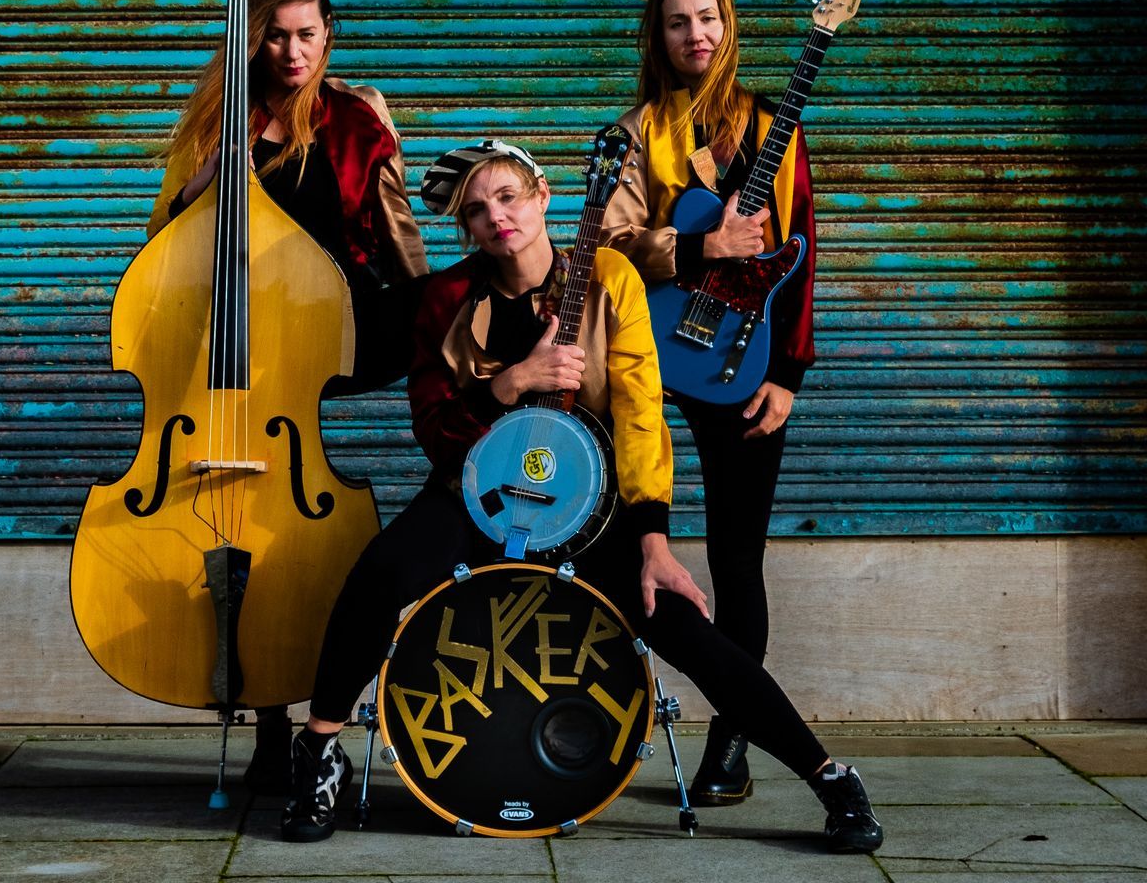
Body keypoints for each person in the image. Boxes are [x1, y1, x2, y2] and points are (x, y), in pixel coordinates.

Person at [279, 141, 882, 854]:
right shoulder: (446, 297)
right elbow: (434, 429)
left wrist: (653, 540)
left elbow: (639, 412)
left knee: (685, 625)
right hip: (479, 493)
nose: (496, 216)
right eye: (477, 210)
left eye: (508, 197)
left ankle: (829, 776)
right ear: (466, 228)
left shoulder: (607, 276)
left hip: (587, 505)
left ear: (543, 196)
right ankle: (319, 752)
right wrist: (512, 382)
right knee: (380, 573)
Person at [150, 0, 429, 788]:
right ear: (252, 37)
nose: (293, 52)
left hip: (336, 334)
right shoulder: (218, 118)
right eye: (274, 35)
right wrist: (211, 175)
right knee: (254, 531)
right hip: (244, 357)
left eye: (307, 34)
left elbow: (397, 235)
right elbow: (163, 246)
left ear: (329, 33)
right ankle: (270, 718)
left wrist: (437, 319)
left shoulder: (357, 115)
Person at [601, 0, 819, 808]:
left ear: (728, 26)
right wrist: (700, 248)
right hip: (649, 354)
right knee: (620, 540)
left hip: (747, 358)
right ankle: (601, 714)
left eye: (708, 18)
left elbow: (802, 249)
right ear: (656, 39)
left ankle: (732, 742)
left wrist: (788, 374)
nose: (696, 35)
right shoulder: (636, 132)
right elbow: (609, 242)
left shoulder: (775, 126)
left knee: (736, 557)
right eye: (677, 22)